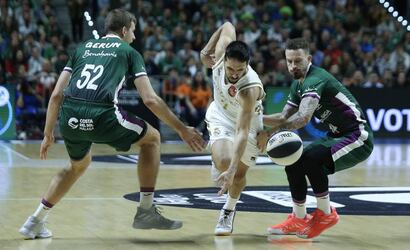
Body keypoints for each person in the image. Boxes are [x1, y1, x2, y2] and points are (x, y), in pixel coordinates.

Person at [19, 9, 205, 239]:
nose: (135, 37)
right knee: (153, 138)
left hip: (69, 118)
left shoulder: (81, 49)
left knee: (77, 166)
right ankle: (146, 210)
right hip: (103, 116)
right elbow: (149, 99)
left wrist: (48, 134)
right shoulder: (129, 51)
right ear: (125, 30)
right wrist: (182, 129)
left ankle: (34, 221)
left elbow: (56, 95)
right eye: (134, 31)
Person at [257, 38, 373, 239]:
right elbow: (283, 117)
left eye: (298, 61)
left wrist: (268, 134)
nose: (293, 66)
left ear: (309, 59)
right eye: (289, 61)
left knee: (310, 159)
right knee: (293, 163)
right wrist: (254, 116)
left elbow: (303, 118)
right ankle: (299, 217)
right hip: (336, 135)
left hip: (357, 136)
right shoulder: (297, 85)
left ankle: (326, 214)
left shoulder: (315, 79)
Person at [200, 22, 265, 236]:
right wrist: (206, 50)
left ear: (247, 65)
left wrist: (232, 170)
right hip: (220, 115)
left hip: (247, 124)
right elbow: (227, 25)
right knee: (225, 162)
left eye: (240, 69)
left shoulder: (249, 88)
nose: (234, 74)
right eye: (230, 68)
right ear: (224, 59)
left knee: (237, 175)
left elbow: (242, 131)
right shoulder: (219, 54)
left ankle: (229, 209)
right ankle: (218, 159)